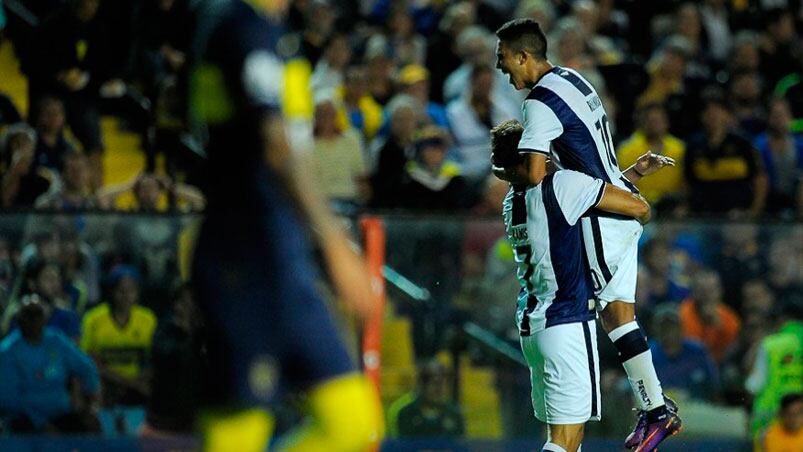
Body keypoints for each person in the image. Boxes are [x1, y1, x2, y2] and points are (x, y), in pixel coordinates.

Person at [188, 1, 383, 451]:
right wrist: (335, 245)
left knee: (353, 422)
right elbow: (275, 148)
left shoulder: (276, 36)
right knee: (238, 434)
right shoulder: (240, 31)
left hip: (285, 260)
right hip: (243, 260)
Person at [494, 19, 681, 450]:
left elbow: (537, 173)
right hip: (608, 201)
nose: (502, 69)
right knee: (620, 315)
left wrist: (511, 164)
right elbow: (588, 170)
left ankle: (656, 410)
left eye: (504, 60)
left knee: (612, 314)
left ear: (524, 56)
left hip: (597, 224)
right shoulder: (573, 78)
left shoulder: (537, 108)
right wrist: (630, 179)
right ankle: (655, 409)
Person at [490, 119, 654, 452]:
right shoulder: (562, 185)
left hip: (534, 327)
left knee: (562, 439)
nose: (548, 154)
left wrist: (631, 174)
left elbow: (579, 207)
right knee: (565, 442)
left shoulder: (513, 199)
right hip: (566, 322)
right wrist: (629, 185)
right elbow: (640, 209)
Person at [0, 295, 100, 433]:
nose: (33, 321)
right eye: (28, 316)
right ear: (20, 320)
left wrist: (90, 403)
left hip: (60, 413)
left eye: (38, 315)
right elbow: (9, 399)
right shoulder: (8, 351)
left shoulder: (56, 340)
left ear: (45, 318)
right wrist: (40, 423)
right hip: (25, 418)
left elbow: (86, 367)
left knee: (90, 426)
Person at [387, 359, 465, 438]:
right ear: (421, 385)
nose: (439, 389)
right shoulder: (406, 414)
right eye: (434, 383)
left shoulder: (454, 415)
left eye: (443, 383)